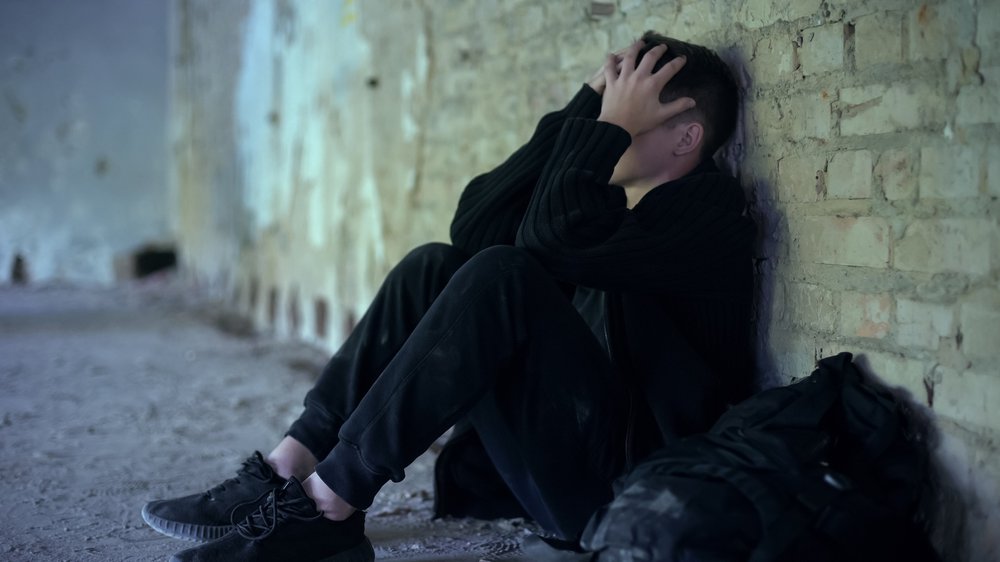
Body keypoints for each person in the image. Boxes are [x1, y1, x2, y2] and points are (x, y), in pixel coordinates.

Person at [141, 31, 757, 562]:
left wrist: (604, 131)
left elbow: (542, 243)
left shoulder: (708, 214)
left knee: (504, 275)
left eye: (625, 119)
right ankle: (289, 467)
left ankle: (328, 508)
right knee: (434, 265)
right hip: (567, 460)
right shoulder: (613, 214)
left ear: (685, 139)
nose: (604, 129)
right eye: (607, 113)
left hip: (629, 492)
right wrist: (588, 104)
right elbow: (479, 224)